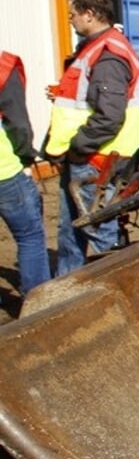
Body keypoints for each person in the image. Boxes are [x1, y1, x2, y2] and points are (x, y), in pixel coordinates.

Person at [45, 0, 139, 276]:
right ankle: (66, 295)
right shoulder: (96, 49)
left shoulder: (108, 54)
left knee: (101, 235)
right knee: (71, 230)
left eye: (73, 15)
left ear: (89, 15)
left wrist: (78, 145)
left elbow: (109, 117)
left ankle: (119, 293)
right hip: (85, 157)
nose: (71, 21)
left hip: (95, 159)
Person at [0, 49, 50, 296]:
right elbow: (17, 123)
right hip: (5, 172)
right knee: (30, 236)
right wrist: (26, 157)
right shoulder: (3, 67)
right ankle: (37, 303)